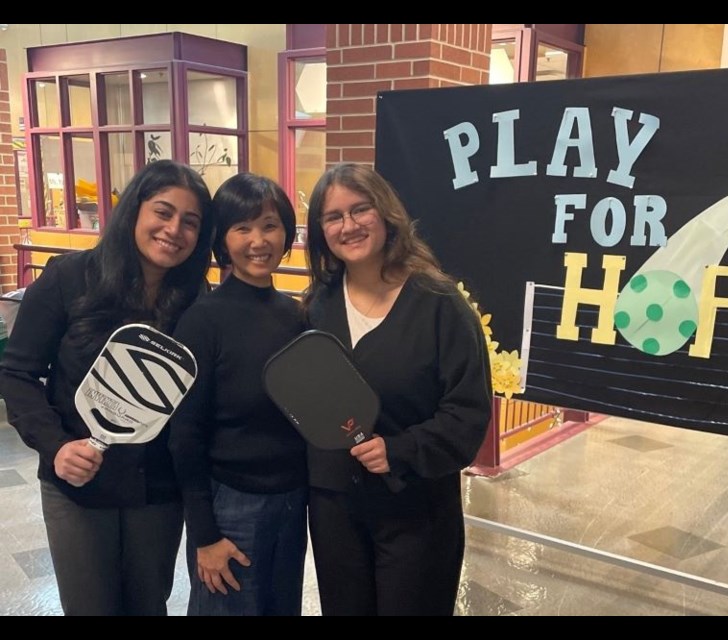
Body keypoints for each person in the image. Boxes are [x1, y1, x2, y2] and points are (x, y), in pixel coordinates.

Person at [0, 160, 215, 615]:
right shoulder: (68, 277)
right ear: (134, 211)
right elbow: (16, 374)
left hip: (157, 489)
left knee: (147, 605)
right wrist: (56, 447)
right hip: (78, 485)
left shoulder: (198, 300)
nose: (174, 229)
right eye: (163, 212)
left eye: (190, 222)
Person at [302, 162, 492, 616]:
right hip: (335, 511)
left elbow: (467, 414)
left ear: (386, 214)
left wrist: (401, 450)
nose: (348, 225)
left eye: (360, 209)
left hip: (416, 511)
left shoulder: (440, 304)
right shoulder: (317, 306)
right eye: (333, 216)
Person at [168, 173, 308, 616]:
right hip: (230, 505)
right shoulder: (202, 321)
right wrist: (205, 535)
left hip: (293, 499)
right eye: (242, 227)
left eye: (269, 225)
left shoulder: (298, 316)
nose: (258, 240)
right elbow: (184, 434)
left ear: (286, 233)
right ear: (221, 240)